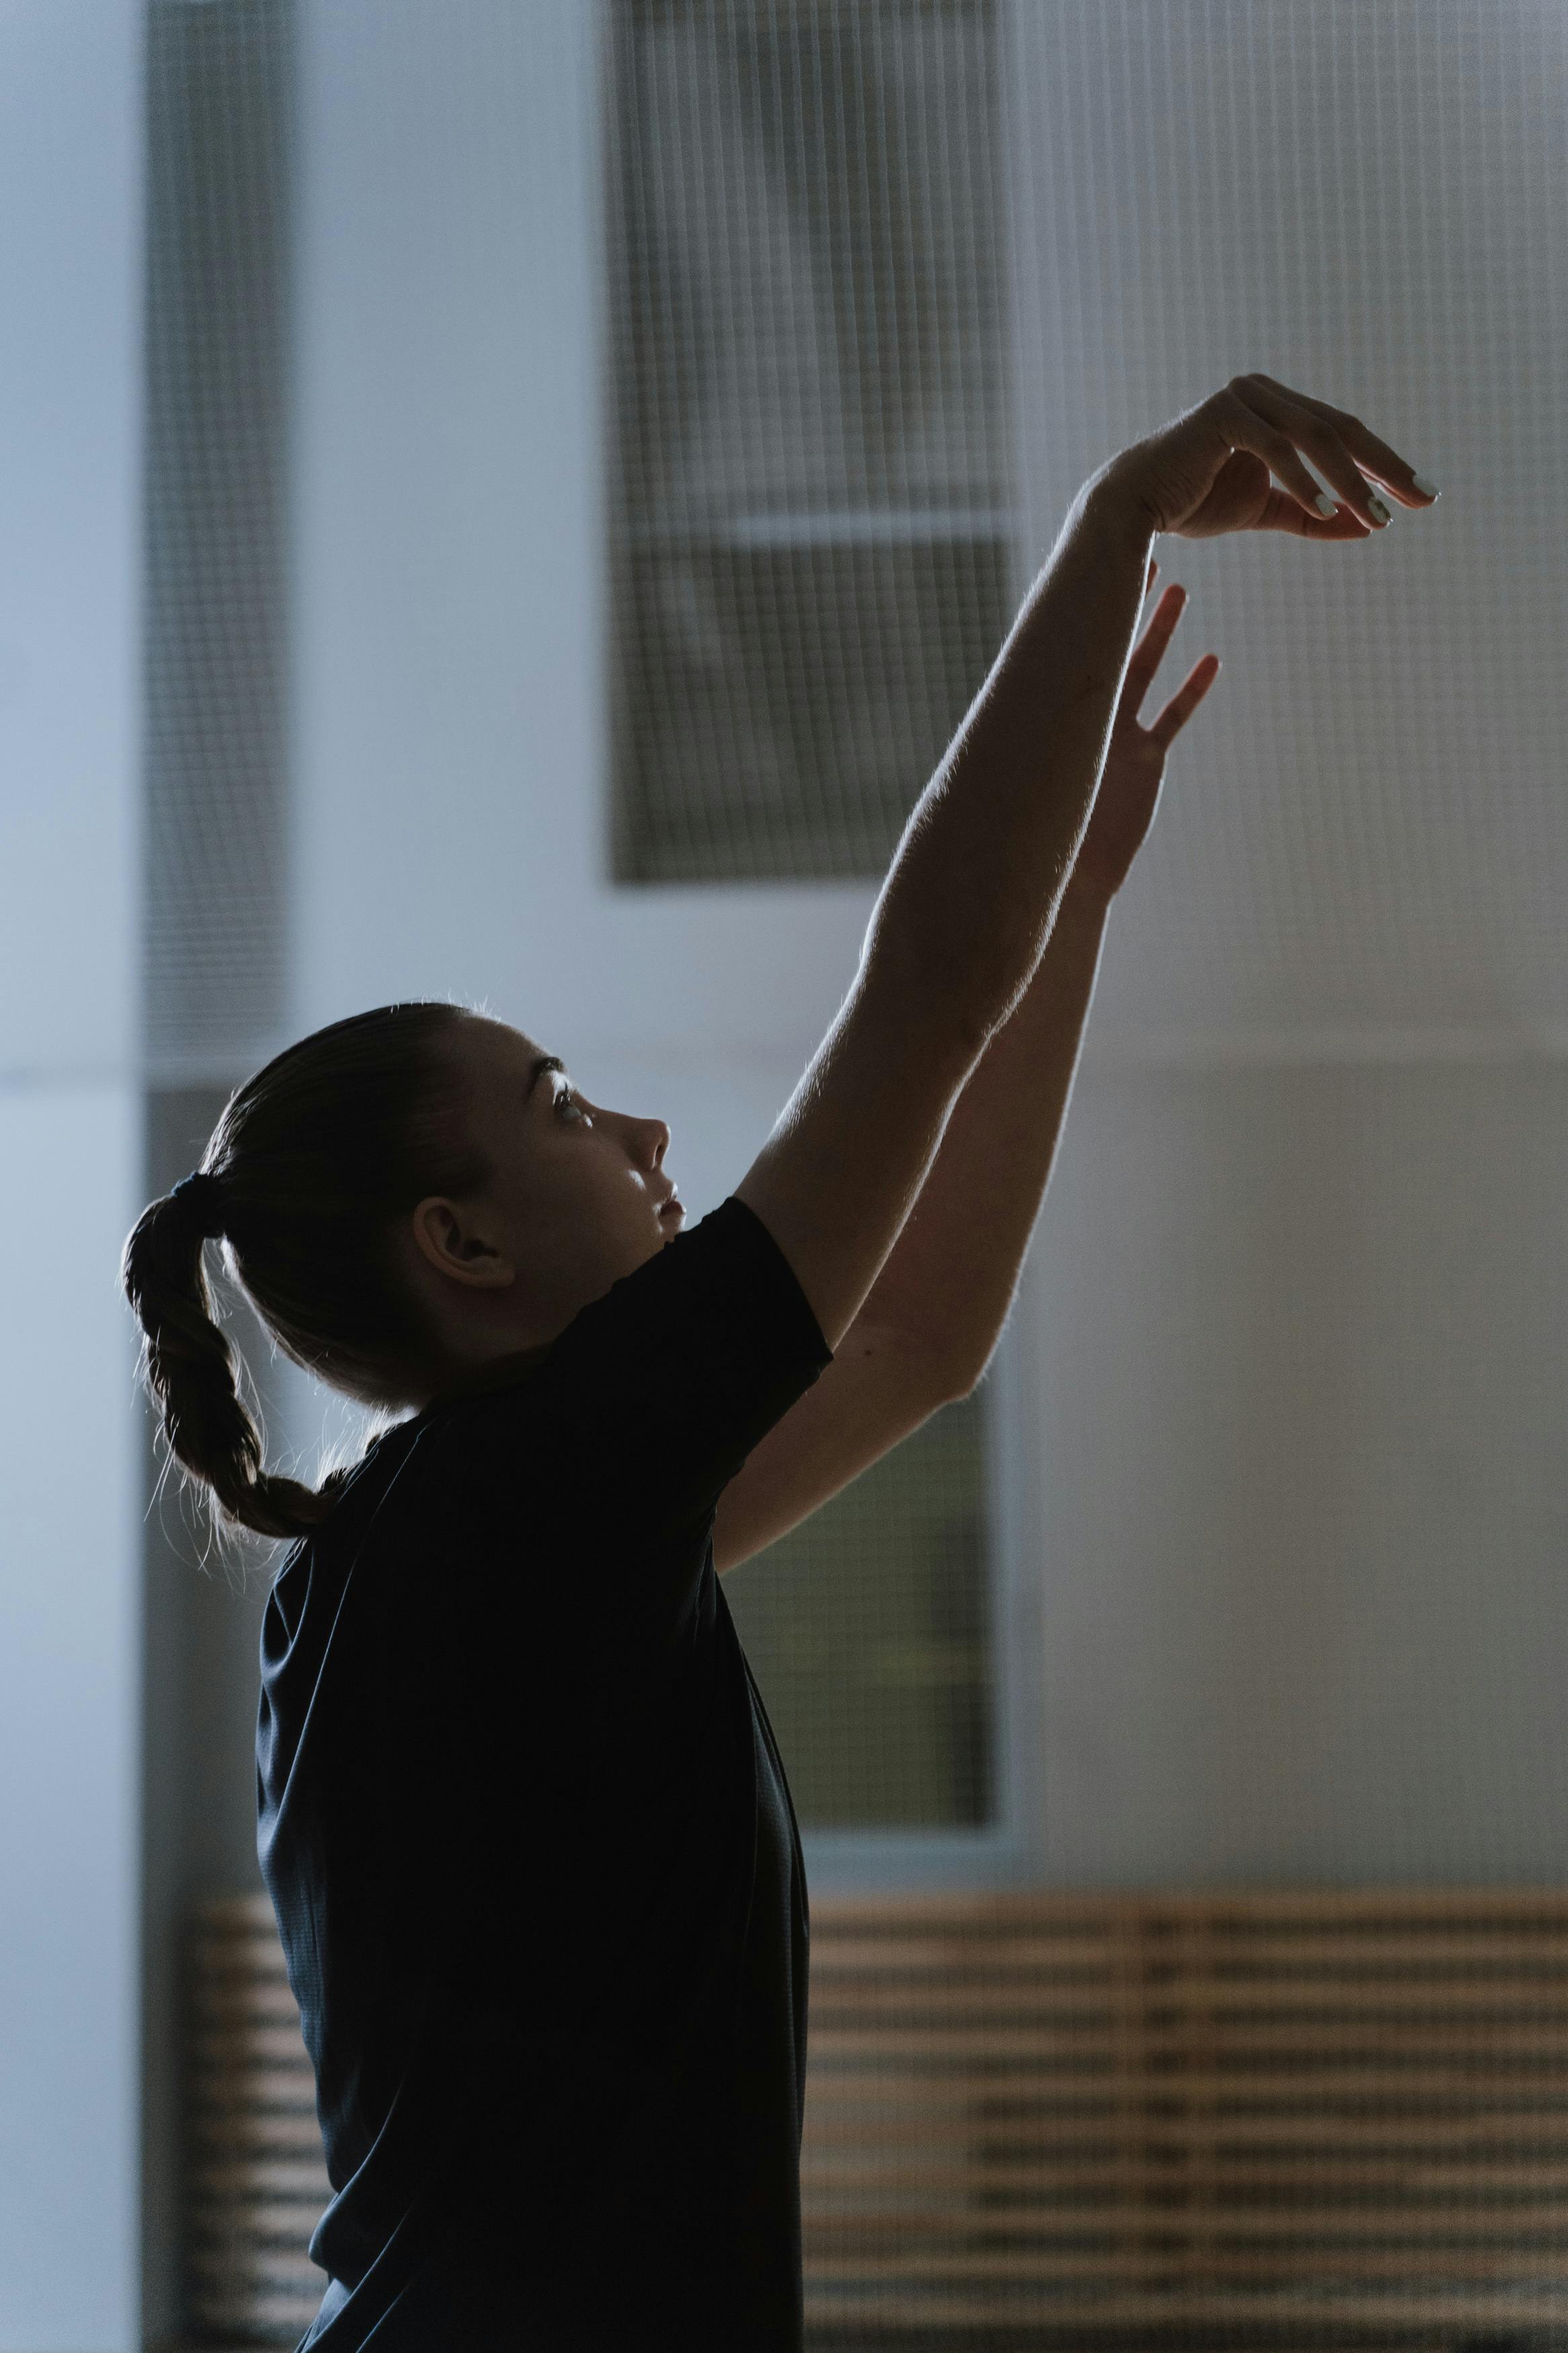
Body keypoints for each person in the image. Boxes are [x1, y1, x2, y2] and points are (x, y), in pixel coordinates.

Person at [122, 376, 1435, 2350]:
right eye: (561, 1105)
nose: (643, 1138)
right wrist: (1119, 508)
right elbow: (916, 1006)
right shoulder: (506, 1511)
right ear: (459, 1244)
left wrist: (1070, 899)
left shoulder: (486, 1548)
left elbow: (916, 1334)